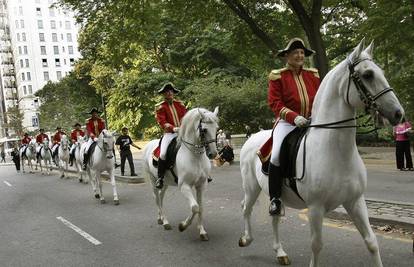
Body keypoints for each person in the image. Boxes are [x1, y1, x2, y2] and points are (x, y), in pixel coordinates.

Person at [267, 37, 320, 216]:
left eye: (302, 52)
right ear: (287, 56)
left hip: (312, 120)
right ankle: (275, 198)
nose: (299, 55)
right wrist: (293, 117)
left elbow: (319, 99)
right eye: (295, 53)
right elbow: (274, 103)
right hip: (287, 123)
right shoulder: (278, 75)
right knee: (275, 155)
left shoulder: (313, 75)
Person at [154, 82, 187, 189]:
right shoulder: (160, 107)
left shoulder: (180, 104)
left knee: (196, 144)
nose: (169, 93)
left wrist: (184, 126)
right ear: (164, 94)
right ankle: (160, 178)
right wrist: (173, 128)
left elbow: (185, 117)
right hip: (170, 134)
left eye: (171, 91)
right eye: (167, 92)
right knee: (163, 154)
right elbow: (162, 122)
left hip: (182, 132)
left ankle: (204, 172)